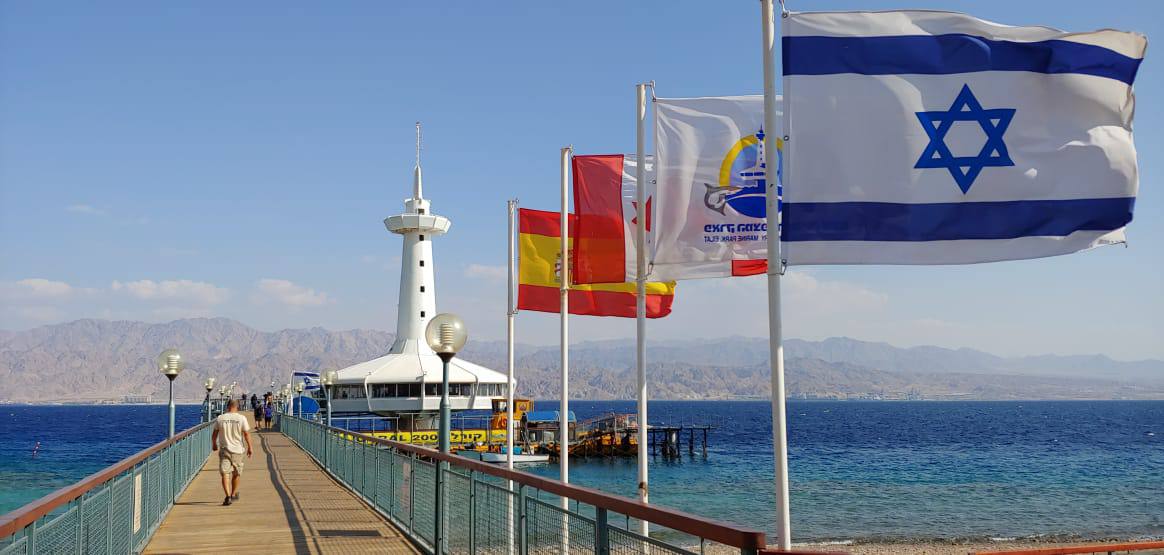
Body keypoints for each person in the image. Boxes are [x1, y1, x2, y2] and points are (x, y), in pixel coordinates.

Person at [210, 399, 252, 506]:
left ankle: (228, 496)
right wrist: (250, 447)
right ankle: (233, 494)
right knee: (236, 473)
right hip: (238, 450)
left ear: (227, 406)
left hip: (224, 449)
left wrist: (214, 444)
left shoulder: (220, 418)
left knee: (225, 473)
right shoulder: (242, 418)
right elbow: (246, 434)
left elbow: (214, 434)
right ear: (237, 407)